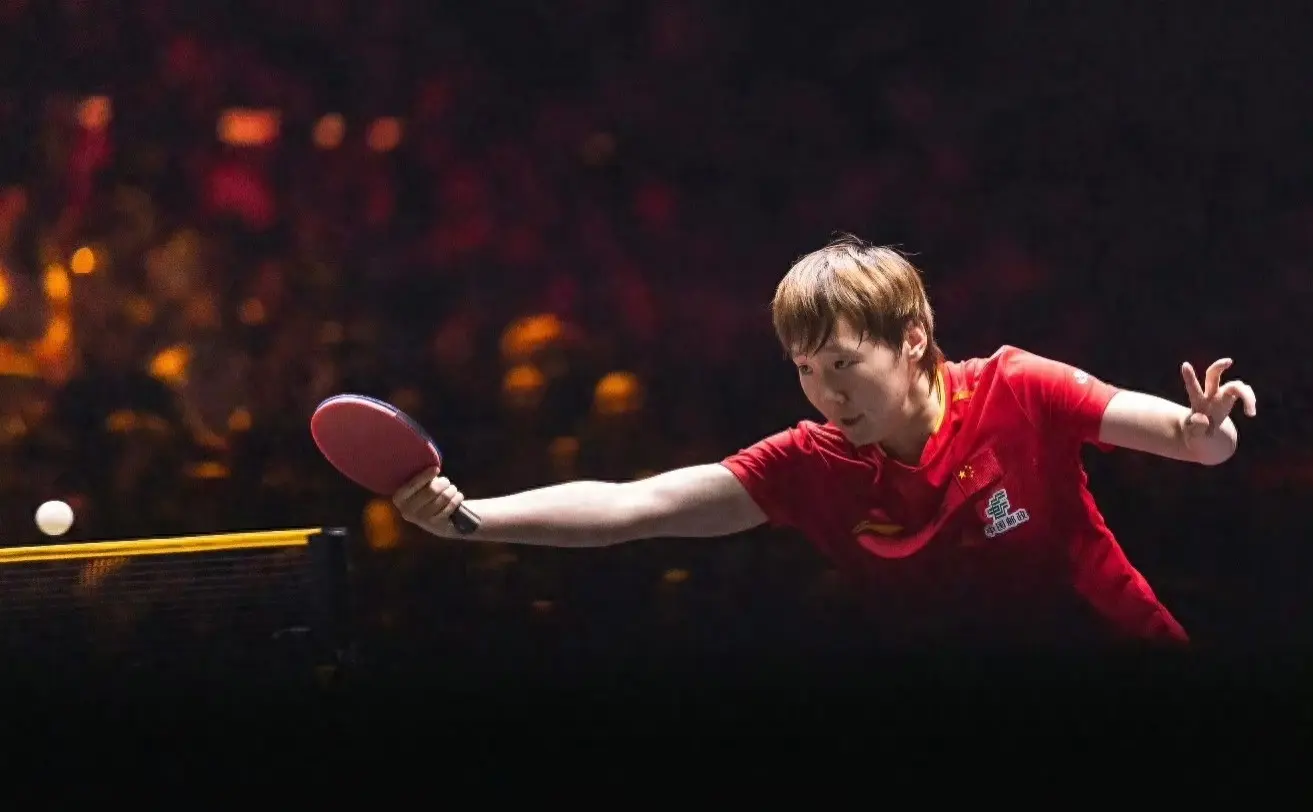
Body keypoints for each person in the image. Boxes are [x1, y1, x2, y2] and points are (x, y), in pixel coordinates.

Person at [393, 233, 1257, 651]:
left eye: (843, 363)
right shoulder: (813, 465)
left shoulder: (1017, 387)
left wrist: (1205, 427)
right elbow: (633, 507)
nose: (825, 392)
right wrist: (470, 518)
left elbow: (1190, 443)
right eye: (806, 369)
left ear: (912, 339)